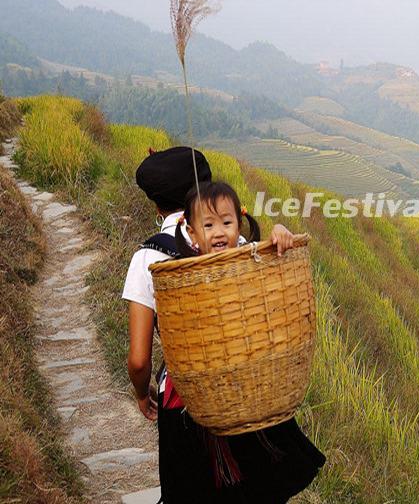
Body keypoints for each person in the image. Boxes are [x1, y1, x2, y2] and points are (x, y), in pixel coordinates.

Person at [123, 148, 321, 503]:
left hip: (186, 402)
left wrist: (141, 393)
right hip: (246, 390)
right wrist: (280, 235)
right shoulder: (238, 245)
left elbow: (139, 359)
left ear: (157, 207)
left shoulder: (147, 258)